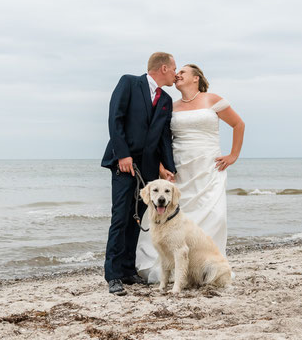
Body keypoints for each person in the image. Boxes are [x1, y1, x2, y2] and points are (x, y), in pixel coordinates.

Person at [136, 63, 245, 283]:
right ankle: (172, 269)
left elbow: (238, 124)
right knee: (174, 217)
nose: (177, 75)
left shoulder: (212, 99)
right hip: (180, 167)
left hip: (209, 168)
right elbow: (161, 139)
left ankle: (205, 266)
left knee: (215, 215)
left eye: (183, 72)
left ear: (196, 78)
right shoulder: (171, 105)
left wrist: (233, 155)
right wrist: (161, 167)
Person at [101, 52, 177, 295]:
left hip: (148, 171)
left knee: (136, 219)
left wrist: (168, 167)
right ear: (163, 68)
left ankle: (127, 270)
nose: (176, 74)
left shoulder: (166, 99)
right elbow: (116, 119)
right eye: (174, 69)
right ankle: (112, 276)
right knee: (120, 217)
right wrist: (123, 155)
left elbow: (164, 136)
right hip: (124, 165)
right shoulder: (129, 82)